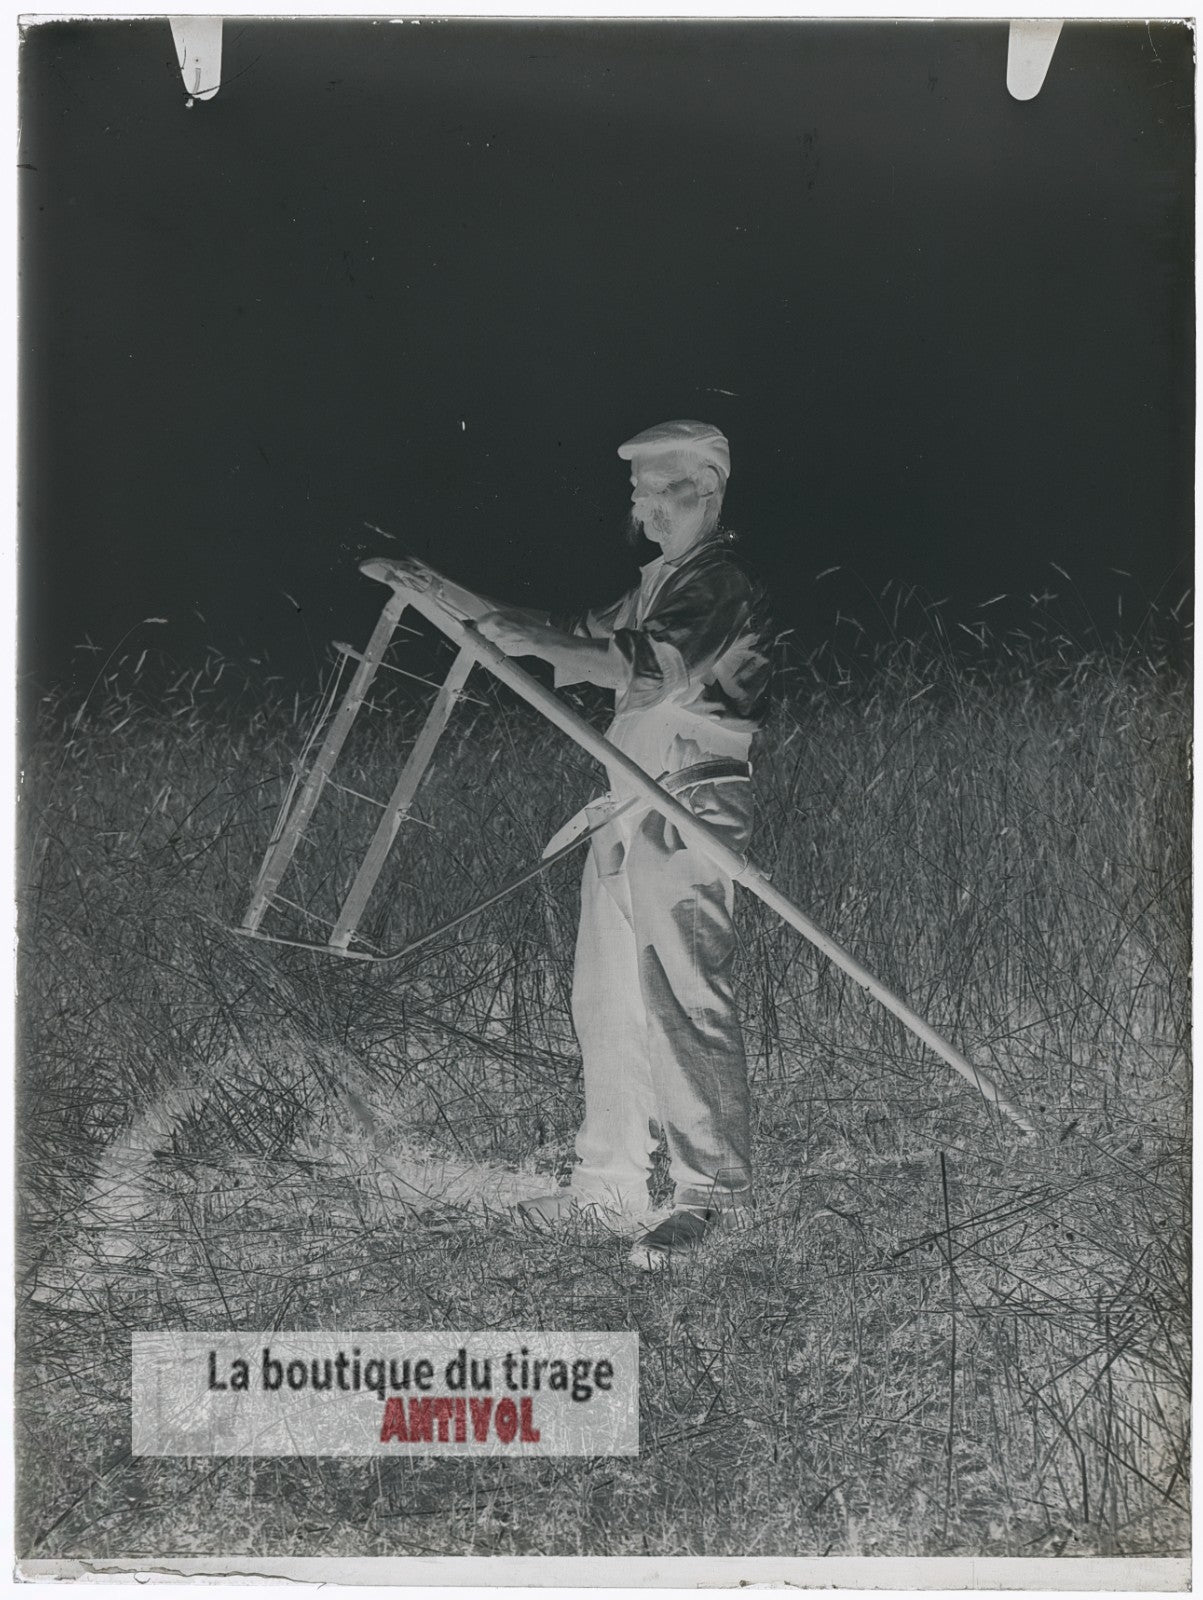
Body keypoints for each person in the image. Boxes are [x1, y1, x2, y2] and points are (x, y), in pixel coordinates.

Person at [473, 419, 774, 1270]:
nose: (642, 506)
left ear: (707, 487)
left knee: (683, 992)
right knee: (604, 994)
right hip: (624, 795)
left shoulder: (720, 581)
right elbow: (581, 633)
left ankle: (708, 1193)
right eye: (636, 491)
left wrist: (536, 640)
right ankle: (606, 1179)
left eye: (659, 488)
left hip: (690, 798)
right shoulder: (656, 580)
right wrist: (472, 610)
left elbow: (642, 665)